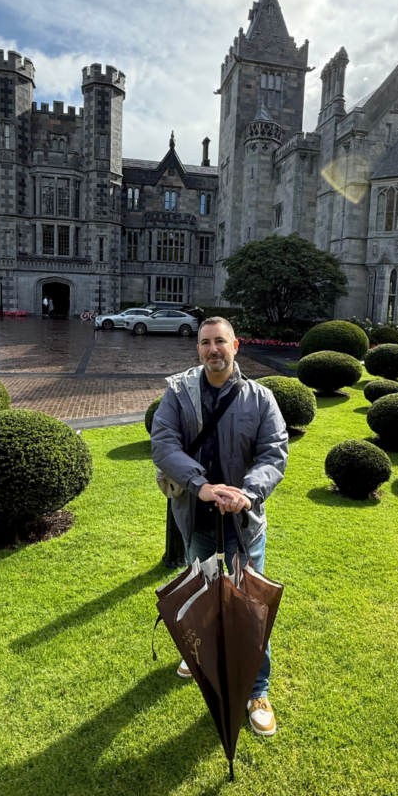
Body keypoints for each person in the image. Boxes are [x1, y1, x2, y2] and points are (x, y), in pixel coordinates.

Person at [151, 316, 288, 737]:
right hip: (198, 517)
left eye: (220, 342)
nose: (213, 349)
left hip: (243, 522)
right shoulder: (178, 392)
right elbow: (163, 443)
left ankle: (257, 690)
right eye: (206, 343)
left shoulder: (260, 397)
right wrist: (202, 486)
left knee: (251, 606)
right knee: (202, 593)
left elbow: (274, 452)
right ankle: (202, 656)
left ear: (235, 346)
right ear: (198, 349)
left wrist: (247, 492)